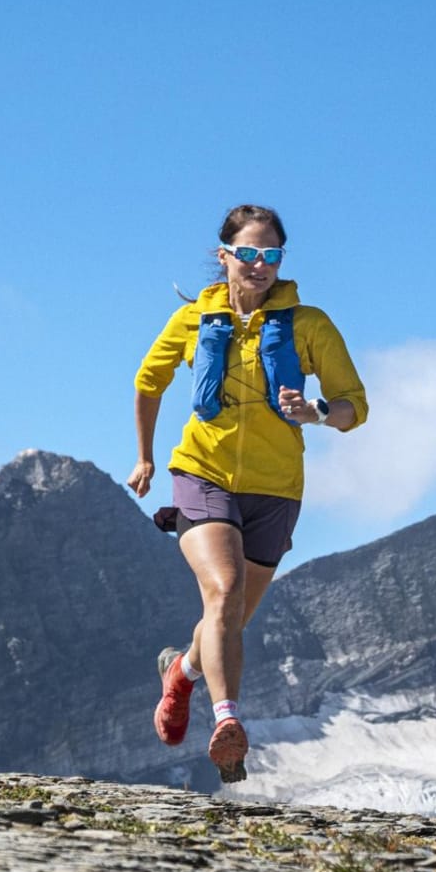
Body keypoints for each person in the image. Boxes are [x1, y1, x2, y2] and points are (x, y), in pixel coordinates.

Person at [126, 205, 368, 783]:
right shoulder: (192, 320)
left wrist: (315, 412)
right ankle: (227, 722)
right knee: (225, 590)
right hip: (201, 473)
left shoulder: (309, 325)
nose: (259, 266)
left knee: (228, 616)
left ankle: (181, 673)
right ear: (224, 255)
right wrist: (145, 457)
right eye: (249, 253)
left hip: (276, 489)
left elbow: (354, 405)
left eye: (272, 256)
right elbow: (147, 382)